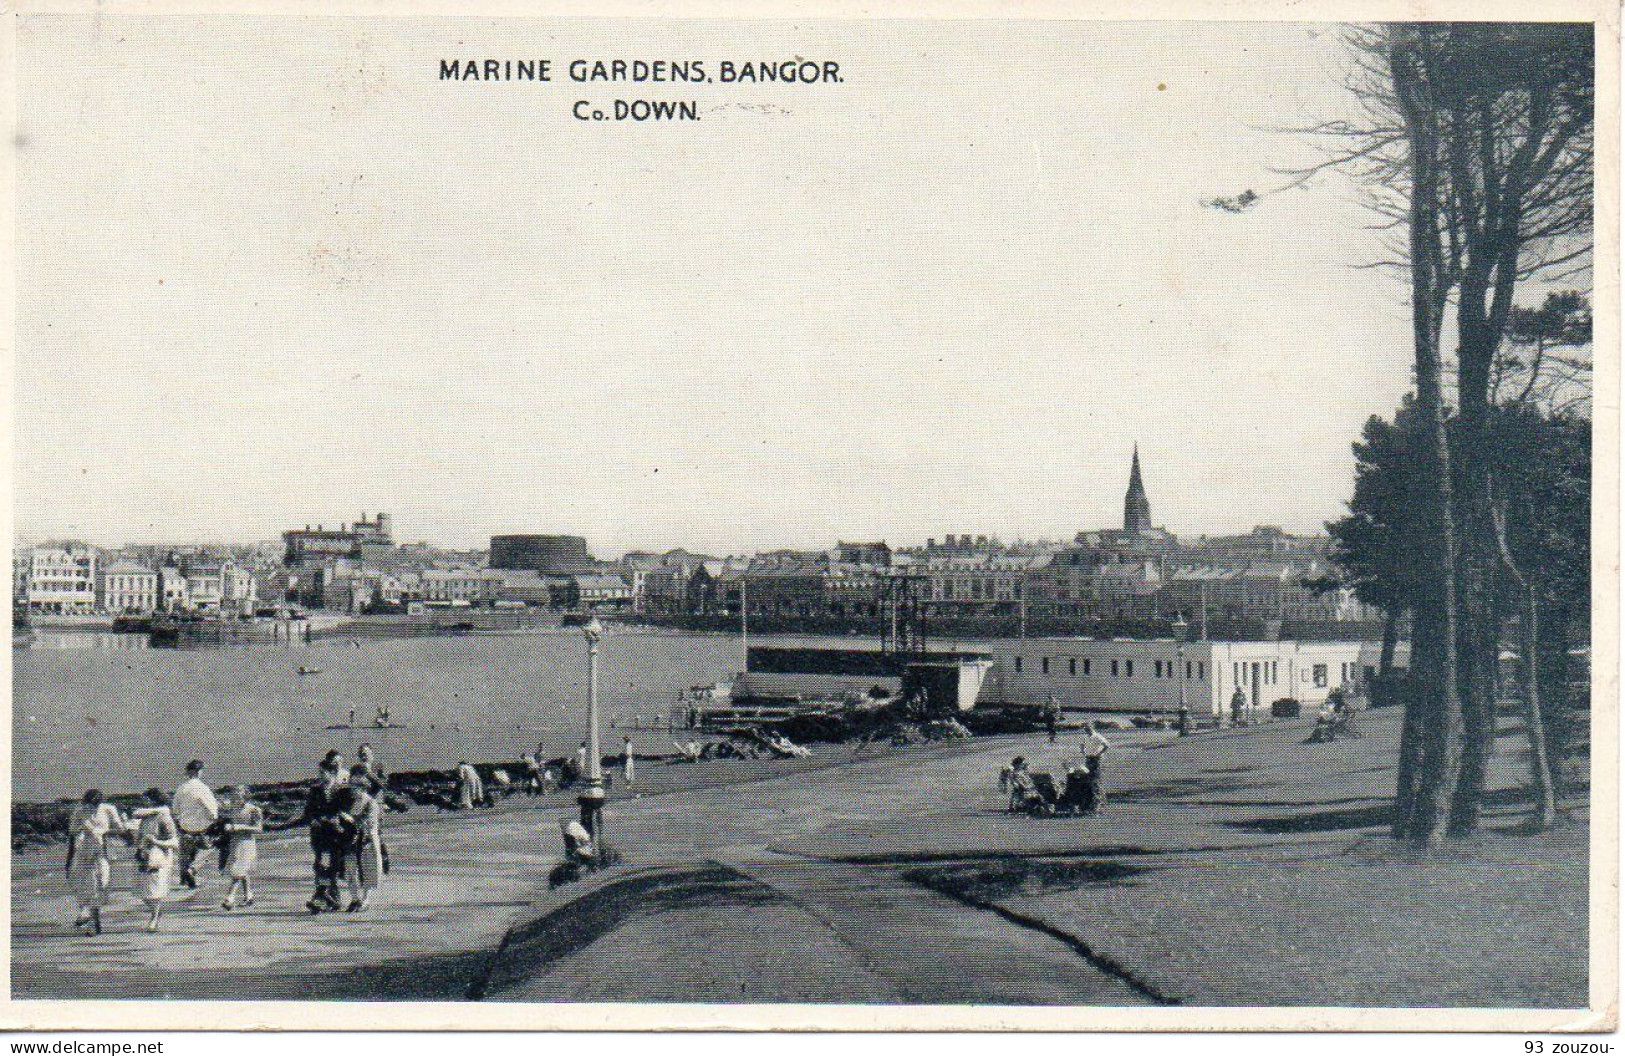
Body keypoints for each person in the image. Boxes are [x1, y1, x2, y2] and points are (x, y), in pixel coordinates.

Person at [270, 755, 358, 914]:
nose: (320, 776)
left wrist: (336, 819)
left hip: (337, 835)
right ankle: (330, 899)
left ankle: (322, 899)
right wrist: (312, 819)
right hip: (320, 835)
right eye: (319, 773)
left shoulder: (343, 791)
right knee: (322, 866)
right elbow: (308, 812)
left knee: (328, 866)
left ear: (331, 773)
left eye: (323, 772)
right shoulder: (315, 791)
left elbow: (347, 811)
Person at [64, 789, 126, 935]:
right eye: (88, 805)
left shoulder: (109, 809)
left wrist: (102, 832)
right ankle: (92, 922)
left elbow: (121, 829)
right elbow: (72, 832)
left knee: (101, 884)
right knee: (87, 886)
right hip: (83, 851)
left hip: (102, 851)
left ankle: (91, 918)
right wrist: (83, 828)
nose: (91, 809)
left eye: (94, 806)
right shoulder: (79, 810)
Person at [132, 788, 180, 933]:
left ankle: (154, 918)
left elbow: (174, 841)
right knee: (141, 891)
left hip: (159, 856)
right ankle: (156, 913)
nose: (143, 802)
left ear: (153, 800)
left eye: (146, 799)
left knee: (155, 890)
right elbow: (135, 815)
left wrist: (155, 842)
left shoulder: (163, 816)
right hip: (143, 855)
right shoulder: (147, 816)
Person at [171, 759, 219, 890]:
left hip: (185, 827)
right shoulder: (202, 788)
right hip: (202, 828)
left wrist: (179, 824)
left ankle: (184, 880)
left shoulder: (181, 789)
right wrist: (214, 819)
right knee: (209, 849)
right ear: (198, 772)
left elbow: (175, 810)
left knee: (186, 854)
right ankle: (192, 870)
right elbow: (210, 808)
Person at [343, 764, 384, 912]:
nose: (353, 789)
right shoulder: (349, 801)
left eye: (357, 786)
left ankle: (365, 899)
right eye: (352, 785)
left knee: (369, 870)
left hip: (367, 840)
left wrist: (351, 820)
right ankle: (355, 899)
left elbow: (368, 823)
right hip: (351, 840)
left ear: (364, 786)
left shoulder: (371, 803)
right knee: (350, 870)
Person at [219, 785, 263, 911]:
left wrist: (239, 827)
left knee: (238, 871)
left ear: (245, 795)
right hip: (235, 843)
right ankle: (249, 896)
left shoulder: (254, 810)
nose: (234, 798)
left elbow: (259, 829)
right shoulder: (233, 809)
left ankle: (229, 898)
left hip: (247, 843)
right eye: (233, 795)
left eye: (237, 795)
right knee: (241, 871)